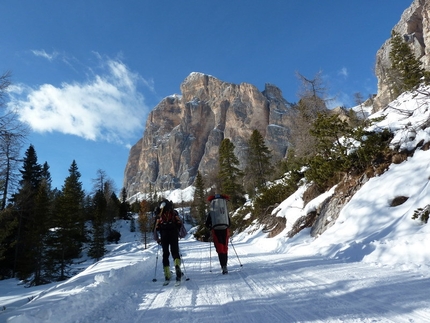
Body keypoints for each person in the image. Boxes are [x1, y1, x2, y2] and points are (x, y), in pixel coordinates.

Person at [153, 199, 183, 282]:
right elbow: (179, 224)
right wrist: (177, 231)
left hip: (164, 235)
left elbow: (157, 227)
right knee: (175, 252)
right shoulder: (173, 212)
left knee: (165, 254)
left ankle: (167, 274)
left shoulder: (159, 214)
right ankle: (177, 265)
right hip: (173, 233)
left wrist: (158, 238)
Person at [205, 194, 230, 274]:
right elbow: (229, 223)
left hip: (216, 230)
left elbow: (207, 224)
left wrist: (210, 227)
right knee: (225, 247)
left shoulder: (212, 213)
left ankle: (223, 266)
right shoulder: (224, 212)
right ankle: (225, 265)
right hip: (225, 230)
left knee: (220, 249)